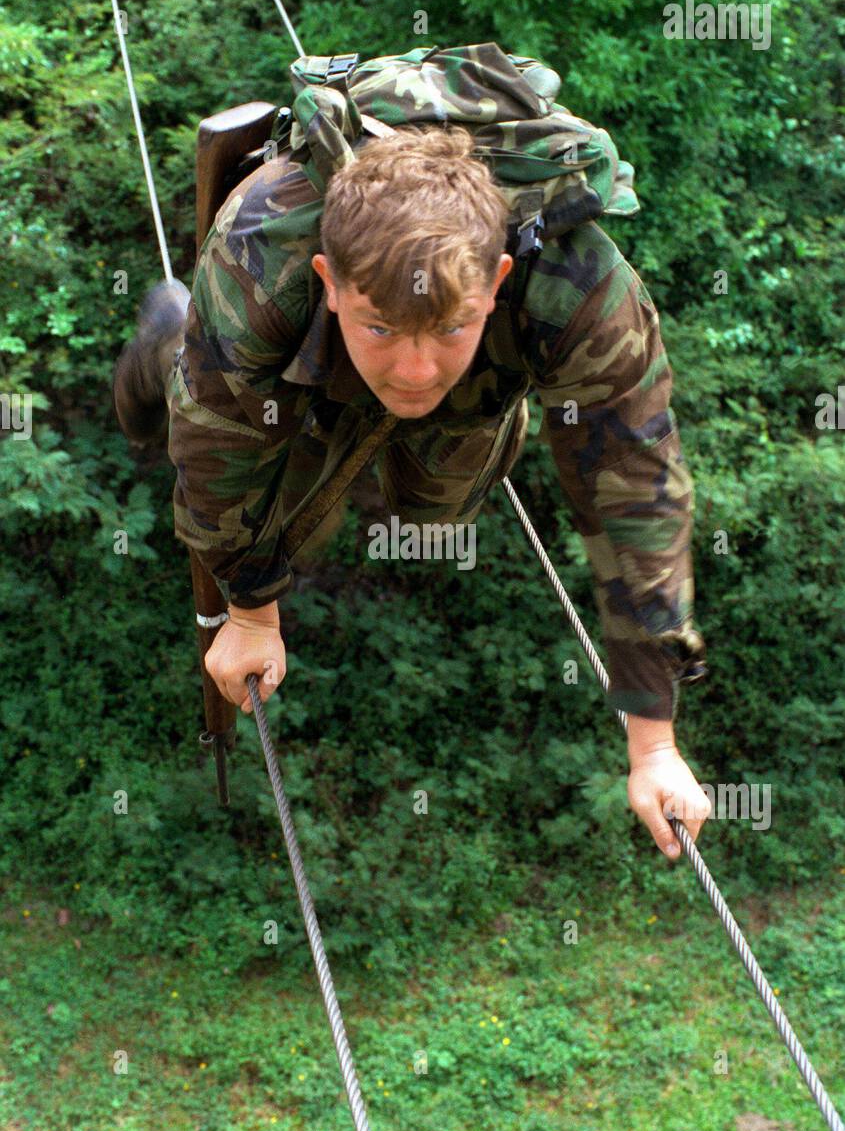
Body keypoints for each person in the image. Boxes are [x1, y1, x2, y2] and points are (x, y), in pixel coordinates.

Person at [114, 122, 711, 860]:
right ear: (331, 281)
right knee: (266, 480)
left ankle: (427, 345)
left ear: (495, 282)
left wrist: (653, 743)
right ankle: (172, 336)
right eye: (384, 329)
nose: (416, 369)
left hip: (478, 366)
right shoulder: (261, 259)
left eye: (448, 329)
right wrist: (250, 608)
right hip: (291, 366)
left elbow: (638, 497)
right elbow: (215, 450)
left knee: (435, 510)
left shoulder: (579, 289)